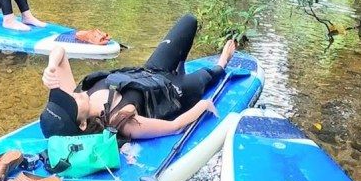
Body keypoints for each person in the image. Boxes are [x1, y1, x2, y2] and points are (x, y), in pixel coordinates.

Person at [39, 14, 236, 140]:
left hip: (151, 71)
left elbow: (59, 51)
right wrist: (204, 105)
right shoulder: (120, 121)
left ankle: (180, 65)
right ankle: (222, 63)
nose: (71, 95)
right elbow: (174, 127)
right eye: (70, 103)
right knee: (211, 73)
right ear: (82, 124)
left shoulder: (77, 95)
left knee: (189, 21)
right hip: (174, 91)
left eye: (65, 97)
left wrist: (51, 67)